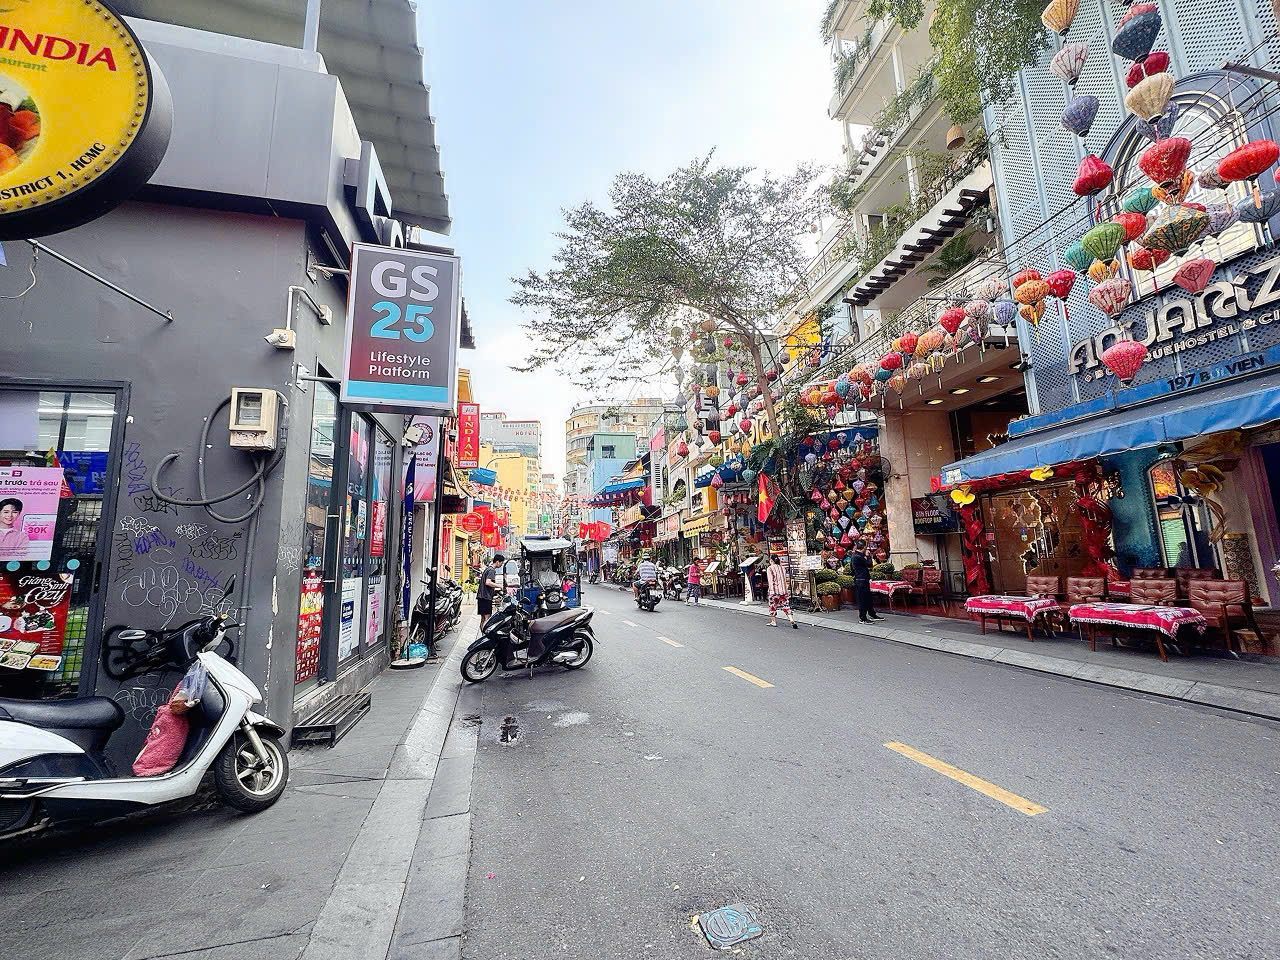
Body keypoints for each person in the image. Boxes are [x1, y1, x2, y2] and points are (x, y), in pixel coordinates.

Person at [851, 541, 883, 624]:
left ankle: (872, 614)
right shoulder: (857, 556)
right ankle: (863, 618)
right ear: (864, 547)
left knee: (868, 598)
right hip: (861, 580)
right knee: (863, 600)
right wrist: (869, 556)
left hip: (862, 579)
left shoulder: (856, 555)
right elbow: (869, 564)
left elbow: (852, 568)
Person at [766, 554, 798, 629]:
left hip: (774, 591)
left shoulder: (770, 568)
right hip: (783, 591)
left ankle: (773, 622)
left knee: (772, 606)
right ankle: (791, 619)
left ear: (771, 560)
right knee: (786, 606)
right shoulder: (782, 568)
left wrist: (771, 591)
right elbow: (784, 579)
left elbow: (770, 581)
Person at [476, 553, 504, 621]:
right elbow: (488, 582)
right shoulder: (492, 570)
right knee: (487, 619)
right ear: (497, 562)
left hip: (481, 597)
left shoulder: (488, 569)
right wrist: (500, 586)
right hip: (486, 597)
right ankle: (485, 629)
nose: (501, 565)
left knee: (483, 619)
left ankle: (482, 629)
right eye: (501, 563)